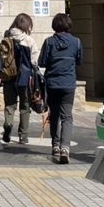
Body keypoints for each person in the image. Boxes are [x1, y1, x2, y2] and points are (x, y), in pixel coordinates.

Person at [38, 12, 82, 164]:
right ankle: (65, 148)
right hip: (68, 84)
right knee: (67, 116)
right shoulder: (76, 42)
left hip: (52, 83)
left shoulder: (49, 42)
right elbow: (79, 60)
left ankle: (55, 145)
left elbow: (42, 62)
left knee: (54, 114)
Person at [0, 14, 38, 145]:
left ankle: (8, 124)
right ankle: (23, 136)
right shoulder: (29, 40)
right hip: (24, 78)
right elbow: (34, 62)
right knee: (25, 106)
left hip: (8, 77)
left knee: (10, 105)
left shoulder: (5, 36)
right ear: (27, 25)